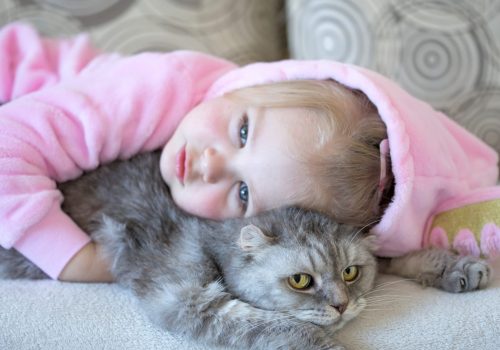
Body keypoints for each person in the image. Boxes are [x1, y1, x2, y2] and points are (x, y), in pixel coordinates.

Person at [1, 23, 498, 283]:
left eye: (241, 192)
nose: (210, 164)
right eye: (241, 132)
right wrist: (76, 261)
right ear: (251, 86)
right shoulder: (154, 89)